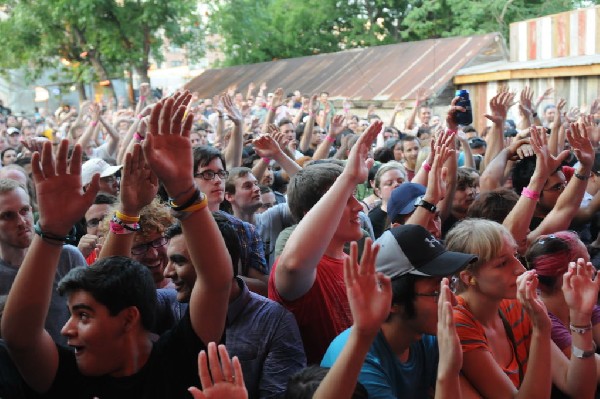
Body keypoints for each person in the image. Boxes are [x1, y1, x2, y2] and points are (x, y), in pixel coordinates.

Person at [1, 93, 233, 397]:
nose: (65, 329)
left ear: (128, 319)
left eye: (83, 315)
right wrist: (51, 231)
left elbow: (216, 281)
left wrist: (184, 189)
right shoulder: (72, 377)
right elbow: (19, 337)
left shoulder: (178, 360)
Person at [269, 120, 383, 364]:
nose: (358, 207)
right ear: (314, 212)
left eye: (354, 196)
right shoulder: (303, 269)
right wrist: (348, 177)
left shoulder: (350, 261)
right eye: (345, 198)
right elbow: (293, 265)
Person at [446, 218, 599, 398]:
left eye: (516, 255)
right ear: (468, 277)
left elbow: (579, 389)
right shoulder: (459, 324)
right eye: (502, 263)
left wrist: (580, 318)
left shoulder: (515, 304)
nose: (520, 269)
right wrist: (541, 329)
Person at [321, 225, 475, 398]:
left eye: (450, 285)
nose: (452, 302)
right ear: (392, 300)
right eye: (437, 292)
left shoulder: (428, 340)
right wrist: (448, 374)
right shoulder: (362, 364)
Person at [164, 219, 306, 399]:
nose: (167, 272)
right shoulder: (169, 303)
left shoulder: (274, 321)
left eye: (178, 261)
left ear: (218, 267)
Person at [368, 162, 406, 239]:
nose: (396, 185)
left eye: (400, 181)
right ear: (379, 192)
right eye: (389, 183)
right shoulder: (372, 219)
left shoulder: (415, 210)